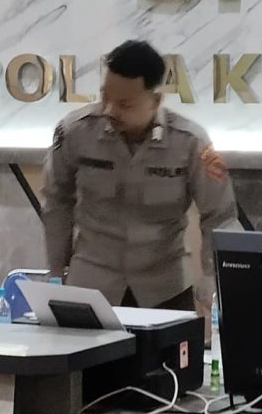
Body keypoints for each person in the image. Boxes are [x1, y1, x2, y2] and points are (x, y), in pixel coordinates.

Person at [41, 40, 240, 311]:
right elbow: (56, 201)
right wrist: (57, 271)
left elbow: (220, 216)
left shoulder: (190, 143)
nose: (109, 110)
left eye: (124, 104)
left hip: (165, 289)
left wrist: (214, 283)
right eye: (105, 97)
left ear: (156, 101)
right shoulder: (74, 133)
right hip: (91, 285)